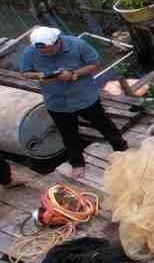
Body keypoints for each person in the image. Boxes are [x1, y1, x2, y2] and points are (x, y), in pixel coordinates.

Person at [18, 27, 127, 178]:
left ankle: (121, 148)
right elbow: (25, 73)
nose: (47, 54)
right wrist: (41, 76)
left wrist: (74, 73)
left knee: (104, 124)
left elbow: (94, 63)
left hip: (85, 96)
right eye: (43, 52)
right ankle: (77, 163)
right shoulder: (30, 52)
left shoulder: (77, 44)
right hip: (56, 102)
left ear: (57, 41)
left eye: (50, 50)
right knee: (68, 134)